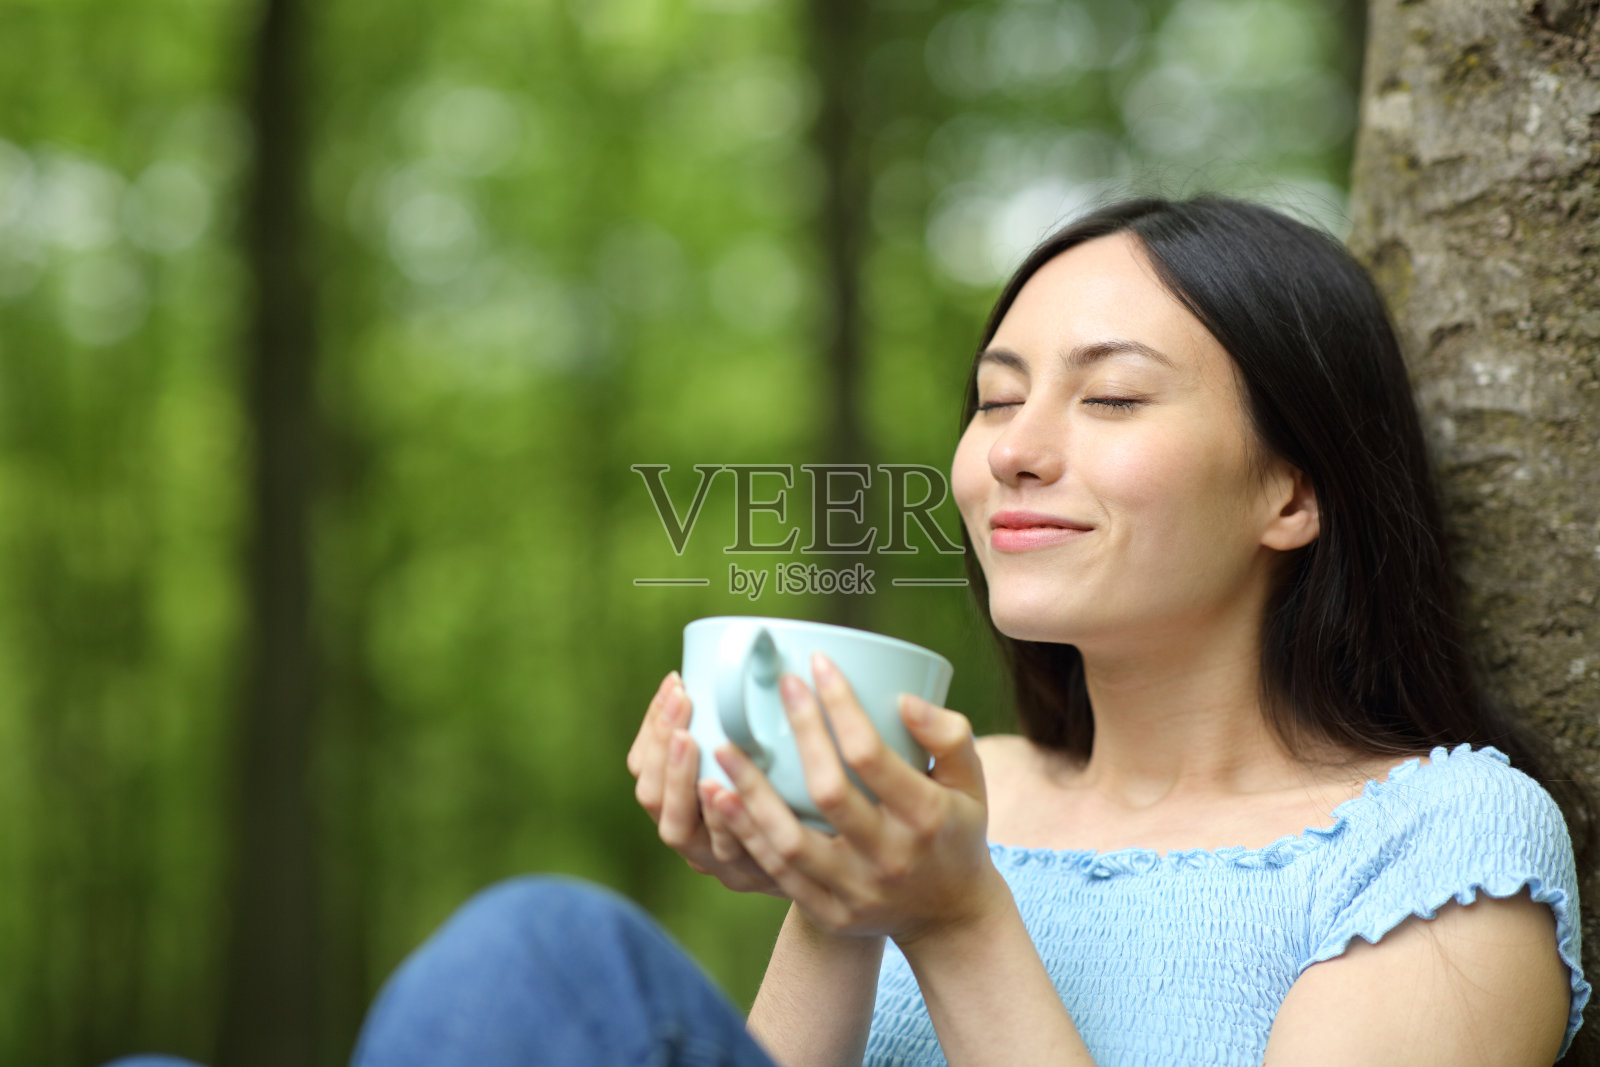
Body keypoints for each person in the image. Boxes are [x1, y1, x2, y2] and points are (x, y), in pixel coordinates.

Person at [105, 194, 1594, 1067]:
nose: (1014, 450)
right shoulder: (949, 789)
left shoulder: (1445, 839)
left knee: (539, 953)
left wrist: (954, 920)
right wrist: (832, 895)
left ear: (1293, 490)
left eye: (1110, 397)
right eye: (996, 400)